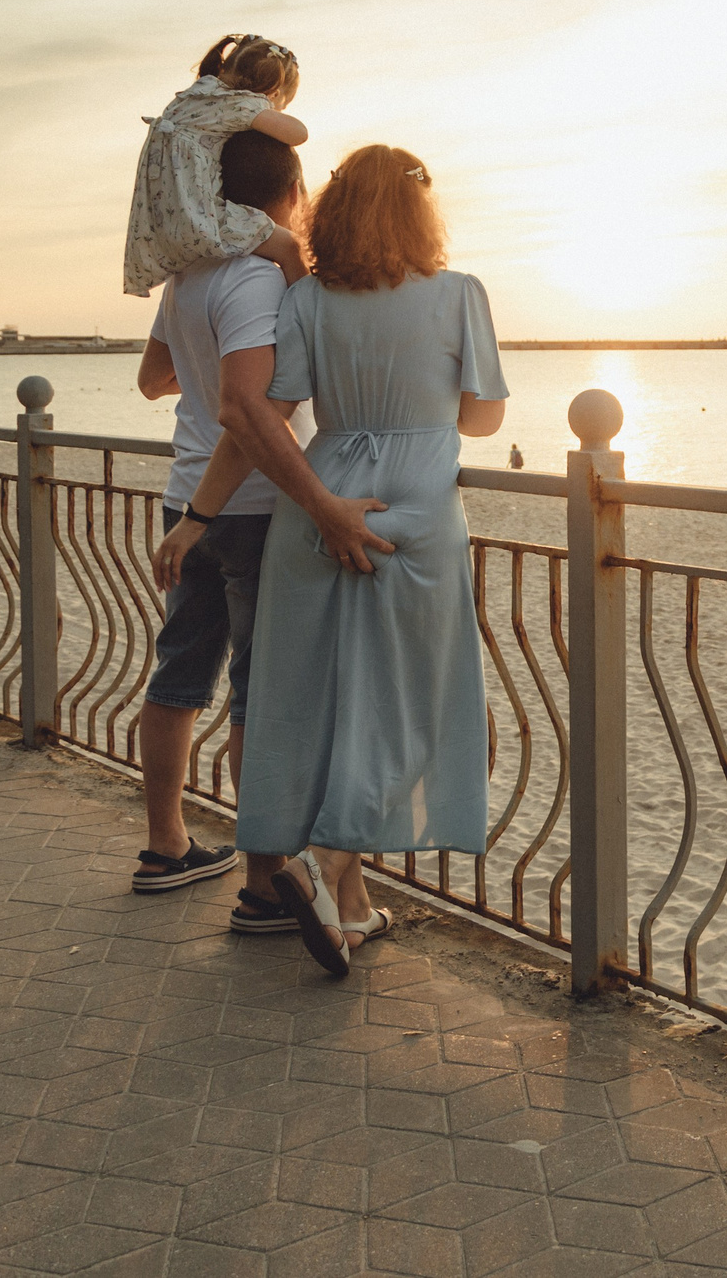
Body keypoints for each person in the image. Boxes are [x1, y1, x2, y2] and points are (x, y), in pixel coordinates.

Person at [172, 143, 507, 975]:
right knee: (399, 704)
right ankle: (337, 878)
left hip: (316, 506)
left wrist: (195, 517)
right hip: (415, 516)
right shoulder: (461, 294)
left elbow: (257, 420)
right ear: (420, 213)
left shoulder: (309, 301)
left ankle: (344, 899)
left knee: (319, 700)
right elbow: (482, 421)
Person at [128, 132, 379, 927]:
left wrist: (203, 367)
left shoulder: (188, 276)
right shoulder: (258, 279)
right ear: (289, 194)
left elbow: (152, 380)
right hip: (250, 511)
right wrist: (319, 501)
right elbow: (252, 410)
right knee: (260, 698)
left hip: (185, 498)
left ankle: (165, 846)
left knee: (178, 676)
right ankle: (266, 883)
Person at [123, 33, 313, 298]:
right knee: (290, 247)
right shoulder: (239, 105)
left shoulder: (193, 98)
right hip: (203, 220)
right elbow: (299, 133)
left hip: (170, 221)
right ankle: (307, 310)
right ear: (273, 93)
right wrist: (272, 112)